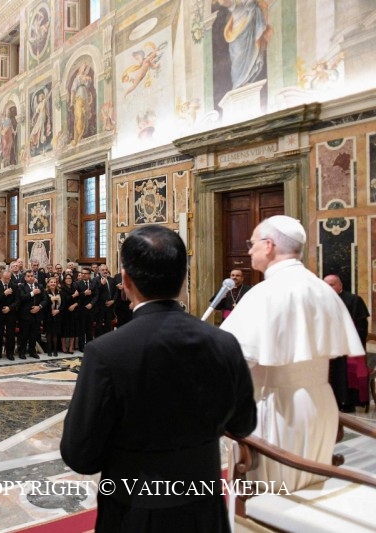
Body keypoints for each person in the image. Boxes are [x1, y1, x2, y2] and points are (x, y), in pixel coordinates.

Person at [61, 225, 256, 533]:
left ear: (125, 281)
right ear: (182, 280)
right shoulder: (224, 343)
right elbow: (243, 424)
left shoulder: (106, 352)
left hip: (134, 512)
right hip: (204, 509)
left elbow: (80, 454)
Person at [220, 215, 364, 491]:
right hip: (321, 406)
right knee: (311, 482)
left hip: (279, 409)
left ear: (269, 245)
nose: (248, 249)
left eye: (252, 243)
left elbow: (233, 361)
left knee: (274, 493)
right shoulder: (322, 289)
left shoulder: (265, 293)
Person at [323, 273, 371, 411]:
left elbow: (361, 326)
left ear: (340, 286)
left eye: (331, 285)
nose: (328, 287)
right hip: (328, 346)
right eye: (325, 285)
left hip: (347, 346)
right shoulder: (321, 301)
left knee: (344, 373)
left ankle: (347, 403)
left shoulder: (353, 300)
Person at [17, 270, 46, 359]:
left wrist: (39, 307)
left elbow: (45, 299)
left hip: (37, 315)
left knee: (34, 335)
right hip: (25, 315)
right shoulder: (21, 286)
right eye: (28, 276)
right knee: (24, 335)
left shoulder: (40, 286)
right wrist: (32, 293)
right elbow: (22, 298)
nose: (30, 277)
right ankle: (22, 352)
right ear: (25, 278)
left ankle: (32, 351)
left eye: (32, 276)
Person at [59, 272, 79, 354]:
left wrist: (74, 305)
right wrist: (74, 296)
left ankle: (71, 347)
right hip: (64, 311)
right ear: (64, 280)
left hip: (74, 310)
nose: (69, 280)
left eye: (70, 278)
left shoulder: (75, 287)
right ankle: (64, 347)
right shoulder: (62, 288)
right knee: (64, 330)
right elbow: (65, 299)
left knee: (72, 330)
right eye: (67, 278)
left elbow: (80, 299)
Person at [42, 276, 62, 357]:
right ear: (48, 284)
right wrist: (51, 300)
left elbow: (63, 304)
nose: (53, 283)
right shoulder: (45, 292)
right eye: (51, 282)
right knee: (49, 333)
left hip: (57, 315)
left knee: (55, 333)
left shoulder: (59, 292)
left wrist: (58, 310)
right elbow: (44, 304)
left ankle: (55, 350)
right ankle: (49, 350)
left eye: (54, 282)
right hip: (48, 315)